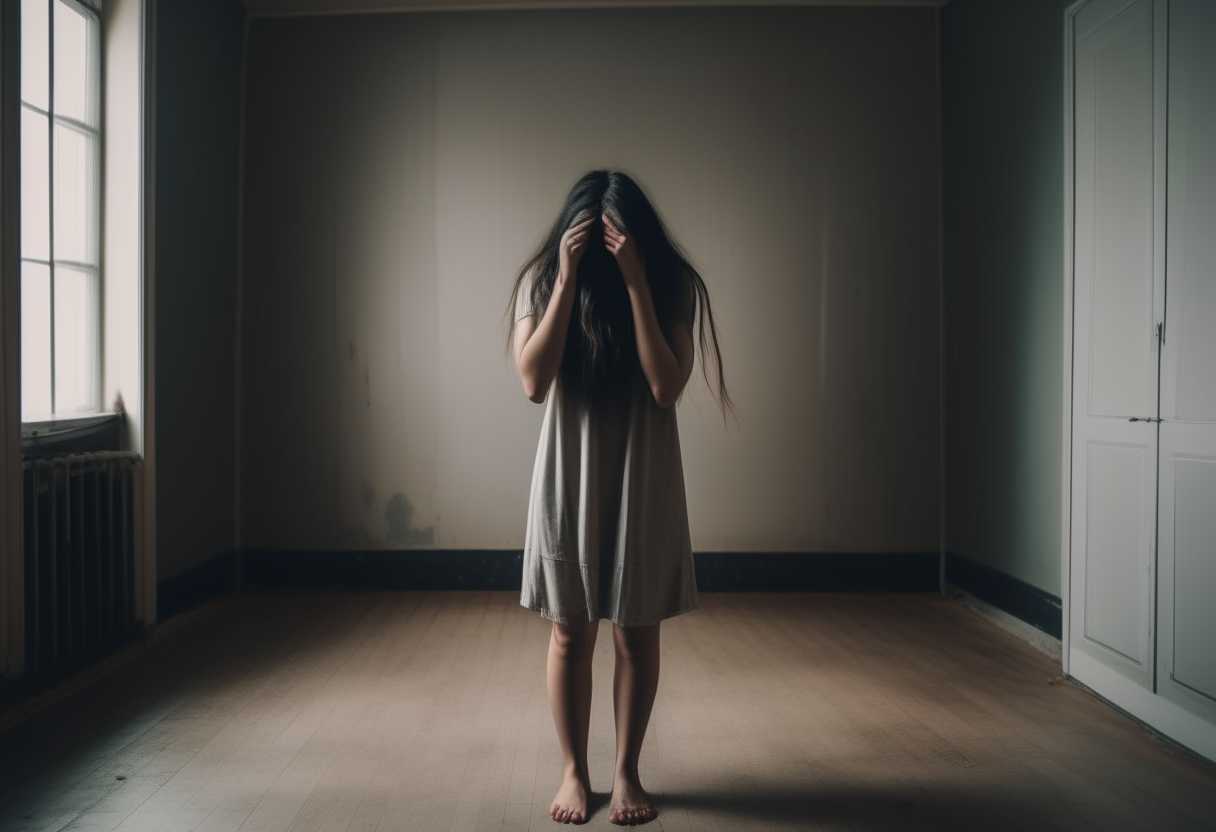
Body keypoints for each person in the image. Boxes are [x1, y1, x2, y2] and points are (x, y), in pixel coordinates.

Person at [508, 170, 733, 826]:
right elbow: (533, 381)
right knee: (569, 633)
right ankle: (574, 770)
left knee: (636, 634)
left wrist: (635, 281)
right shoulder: (542, 280)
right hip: (568, 472)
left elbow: (666, 386)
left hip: (643, 469)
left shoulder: (670, 284)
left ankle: (627, 770)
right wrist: (569, 277)